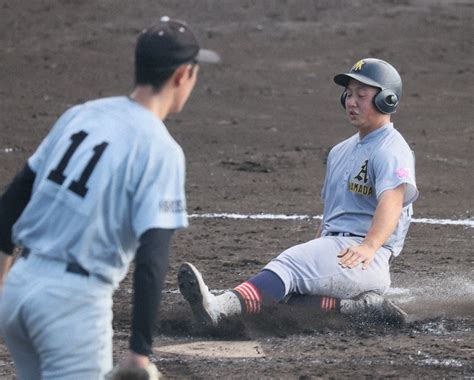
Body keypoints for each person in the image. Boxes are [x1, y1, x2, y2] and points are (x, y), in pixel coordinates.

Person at [0, 17, 219, 379]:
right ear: (183, 76)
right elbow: (152, 258)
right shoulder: (160, 148)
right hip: (70, 307)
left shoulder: (80, 115)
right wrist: (139, 352)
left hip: (21, 289)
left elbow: (9, 204)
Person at [178, 58, 418, 327]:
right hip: (339, 251)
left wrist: (369, 245)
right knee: (281, 295)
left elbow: (393, 200)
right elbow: (331, 215)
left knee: (288, 266)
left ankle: (219, 308)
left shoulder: (391, 149)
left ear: (386, 100)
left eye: (361, 95)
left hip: (365, 258)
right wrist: (315, 248)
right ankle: (361, 308)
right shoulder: (340, 151)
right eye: (349, 94)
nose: (352, 102)